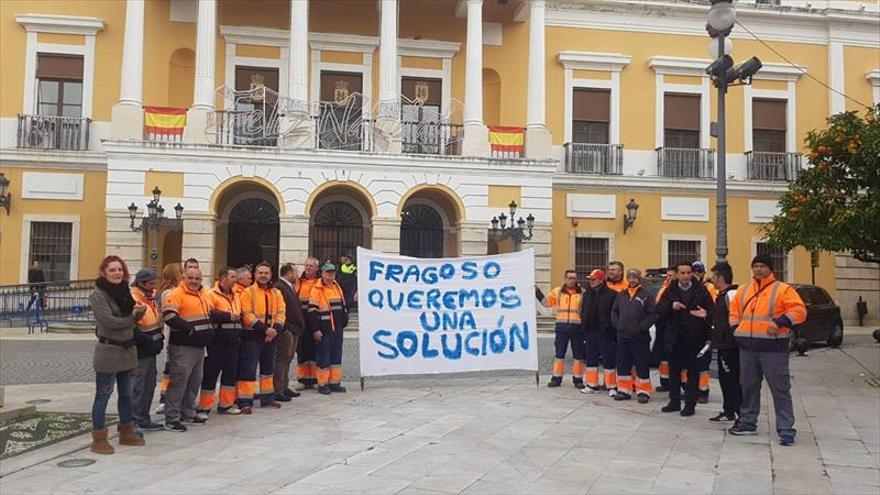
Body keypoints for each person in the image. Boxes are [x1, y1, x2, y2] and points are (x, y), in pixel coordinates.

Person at [728, 254, 806, 446]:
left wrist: (780, 322)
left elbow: (799, 311)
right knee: (748, 387)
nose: (758, 269)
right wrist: (735, 328)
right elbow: (734, 311)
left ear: (770, 269)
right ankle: (747, 422)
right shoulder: (744, 290)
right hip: (747, 348)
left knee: (780, 389)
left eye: (762, 266)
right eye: (755, 266)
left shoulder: (783, 290)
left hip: (774, 348)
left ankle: (786, 429)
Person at [89, 255, 147, 454]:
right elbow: (109, 322)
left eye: (120, 269)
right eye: (112, 270)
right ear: (104, 273)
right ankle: (98, 437)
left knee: (127, 396)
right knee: (103, 396)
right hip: (108, 352)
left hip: (127, 351)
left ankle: (126, 431)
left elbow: (132, 318)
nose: (117, 273)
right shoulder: (98, 295)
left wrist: (140, 311)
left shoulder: (125, 292)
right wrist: (132, 317)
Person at [657, 262, 714, 417]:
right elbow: (659, 310)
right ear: (677, 274)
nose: (686, 276)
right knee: (674, 371)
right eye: (682, 273)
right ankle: (674, 401)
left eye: (689, 272)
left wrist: (706, 314)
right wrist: (671, 305)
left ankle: (690, 404)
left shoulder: (701, 290)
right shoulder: (670, 290)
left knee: (693, 372)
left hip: (694, 337)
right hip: (674, 337)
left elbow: (712, 311)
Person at [162, 267, 215, 432]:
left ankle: (188, 412)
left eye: (197, 278)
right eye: (190, 278)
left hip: (199, 346)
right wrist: (191, 330)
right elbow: (170, 317)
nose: (194, 281)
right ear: (183, 277)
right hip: (183, 346)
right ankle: (172, 418)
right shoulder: (175, 294)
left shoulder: (203, 295)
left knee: (194, 382)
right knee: (179, 382)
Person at [238, 261, 286, 412]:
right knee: (248, 370)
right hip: (253, 337)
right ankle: (245, 401)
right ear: (255, 275)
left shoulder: (276, 293)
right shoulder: (248, 292)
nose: (263, 276)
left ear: (271, 275)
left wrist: (275, 330)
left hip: (271, 337)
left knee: (268, 370)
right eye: (260, 273)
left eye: (266, 273)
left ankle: (267, 398)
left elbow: (281, 312)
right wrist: (265, 330)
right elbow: (247, 315)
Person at [198, 266, 244, 417]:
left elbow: (240, 313)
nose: (235, 280)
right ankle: (204, 407)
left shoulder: (236, 295)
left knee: (230, 373)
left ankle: (226, 405)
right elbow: (208, 313)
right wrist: (228, 316)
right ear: (223, 278)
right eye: (232, 277)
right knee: (211, 373)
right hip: (217, 341)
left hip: (233, 341)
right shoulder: (211, 294)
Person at [611, 269, 657, 403]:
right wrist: (617, 324)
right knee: (622, 364)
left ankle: (643, 391)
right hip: (622, 336)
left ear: (639, 279)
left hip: (640, 337)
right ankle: (624, 390)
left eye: (634, 277)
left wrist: (642, 327)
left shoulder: (646, 295)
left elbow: (652, 314)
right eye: (629, 277)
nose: (632, 280)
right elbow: (614, 311)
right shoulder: (621, 295)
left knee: (641, 365)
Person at [130, 268, 165, 432]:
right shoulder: (134, 298)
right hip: (140, 349)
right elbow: (131, 324)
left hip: (151, 348)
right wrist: (144, 339)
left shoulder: (151, 298)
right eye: (151, 283)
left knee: (149, 385)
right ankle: (133, 420)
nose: (153, 286)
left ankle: (144, 417)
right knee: (138, 386)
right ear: (141, 283)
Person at [537, 269, 585, 388]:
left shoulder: (583, 292)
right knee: (559, 355)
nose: (572, 280)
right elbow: (547, 303)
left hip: (578, 328)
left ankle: (578, 379)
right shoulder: (557, 292)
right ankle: (556, 378)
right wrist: (537, 292)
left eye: (574, 278)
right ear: (565, 279)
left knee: (578, 355)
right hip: (562, 328)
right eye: (570, 278)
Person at [309, 263, 349, 395]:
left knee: (336, 358)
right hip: (324, 329)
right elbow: (312, 311)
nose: (330, 275)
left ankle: (334, 383)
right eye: (327, 273)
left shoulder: (337, 287)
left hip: (337, 328)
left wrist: (345, 319)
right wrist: (316, 330)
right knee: (323, 358)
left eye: (332, 273)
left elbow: (343, 305)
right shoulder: (317, 289)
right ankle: (323, 384)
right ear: (322, 273)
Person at [708, 262, 741, 423]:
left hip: (731, 345)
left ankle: (739, 412)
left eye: (714, 276)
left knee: (732, 379)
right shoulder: (721, 295)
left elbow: (736, 319)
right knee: (724, 379)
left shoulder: (731, 295)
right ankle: (728, 410)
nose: (712, 279)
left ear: (720, 277)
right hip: (722, 343)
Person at [579, 269, 617, 395]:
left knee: (608, 359)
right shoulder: (587, 294)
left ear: (601, 280)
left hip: (605, 332)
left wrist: (610, 328)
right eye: (589, 279)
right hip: (590, 331)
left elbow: (614, 313)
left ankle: (611, 386)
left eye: (593, 279)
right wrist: (583, 327)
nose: (591, 282)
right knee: (591, 359)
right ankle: (591, 384)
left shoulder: (611, 294)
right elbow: (583, 310)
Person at [274, 263, 305, 402]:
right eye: (295, 272)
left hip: (294, 329)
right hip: (287, 329)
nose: (297, 275)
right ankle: (278, 389)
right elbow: (280, 309)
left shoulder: (289, 287)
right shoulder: (280, 287)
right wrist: (286, 328)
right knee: (282, 359)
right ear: (288, 273)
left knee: (288, 359)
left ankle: (284, 386)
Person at [156, 263, 183, 415]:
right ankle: (164, 398)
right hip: (171, 332)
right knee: (170, 367)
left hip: (172, 332)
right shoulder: (169, 293)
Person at [692, 261, 716, 403]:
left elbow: (712, 311)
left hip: (704, 331)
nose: (695, 274)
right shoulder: (686, 289)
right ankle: (691, 389)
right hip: (690, 333)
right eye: (693, 272)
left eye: (698, 272)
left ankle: (703, 391)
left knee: (702, 365)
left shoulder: (709, 289)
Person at [296, 257, 320, 389]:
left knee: (315, 352)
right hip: (302, 321)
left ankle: (315, 379)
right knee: (302, 352)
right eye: (306, 265)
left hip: (315, 321)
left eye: (311, 266)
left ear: (317, 268)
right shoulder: (299, 282)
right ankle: (303, 380)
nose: (308, 268)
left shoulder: (320, 282)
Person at [652, 267, 676, 392]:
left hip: (673, 329)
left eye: (672, 275)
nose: (669, 278)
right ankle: (665, 382)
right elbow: (658, 307)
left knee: (674, 358)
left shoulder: (678, 290)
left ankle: (678, 384)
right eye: (668, 275)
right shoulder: (663, 289)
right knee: (663, 358)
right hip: (662, 327)